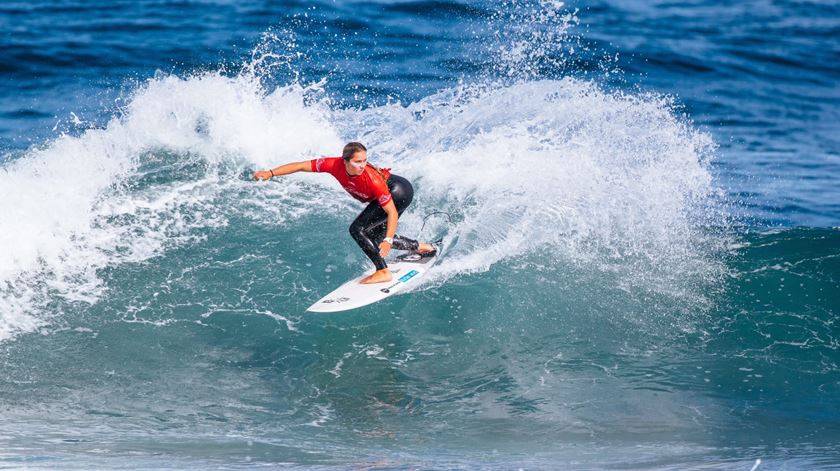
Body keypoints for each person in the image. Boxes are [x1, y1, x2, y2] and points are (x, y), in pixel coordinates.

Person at [254, 142, 436, 284]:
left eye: (365, 160)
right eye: (358, 162)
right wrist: (270, 173)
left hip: (399, 192)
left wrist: (388, 241)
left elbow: (392, 213)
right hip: (394, 191)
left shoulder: (373, 180)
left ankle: (382, 271)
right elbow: (301, 166)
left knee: (357, 230)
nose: (363, 165)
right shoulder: (333, 164)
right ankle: (422, 247)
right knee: (373, 235)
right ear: (345, 161)